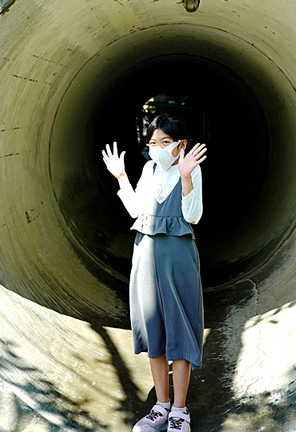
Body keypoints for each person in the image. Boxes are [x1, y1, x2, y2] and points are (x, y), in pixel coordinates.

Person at [102, 113, 207, 432]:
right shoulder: (148, 169)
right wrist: (120, 177)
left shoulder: (192, 170)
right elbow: (137, 210)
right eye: (152, 143)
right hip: (145, 254)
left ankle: (179, 410)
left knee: (181, 328)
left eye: (165, 142)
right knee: (155, 330)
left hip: (178, 256)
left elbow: (194, 215)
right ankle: (160, 406)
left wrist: (187, 176)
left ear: (180, 145)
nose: (158, 148)